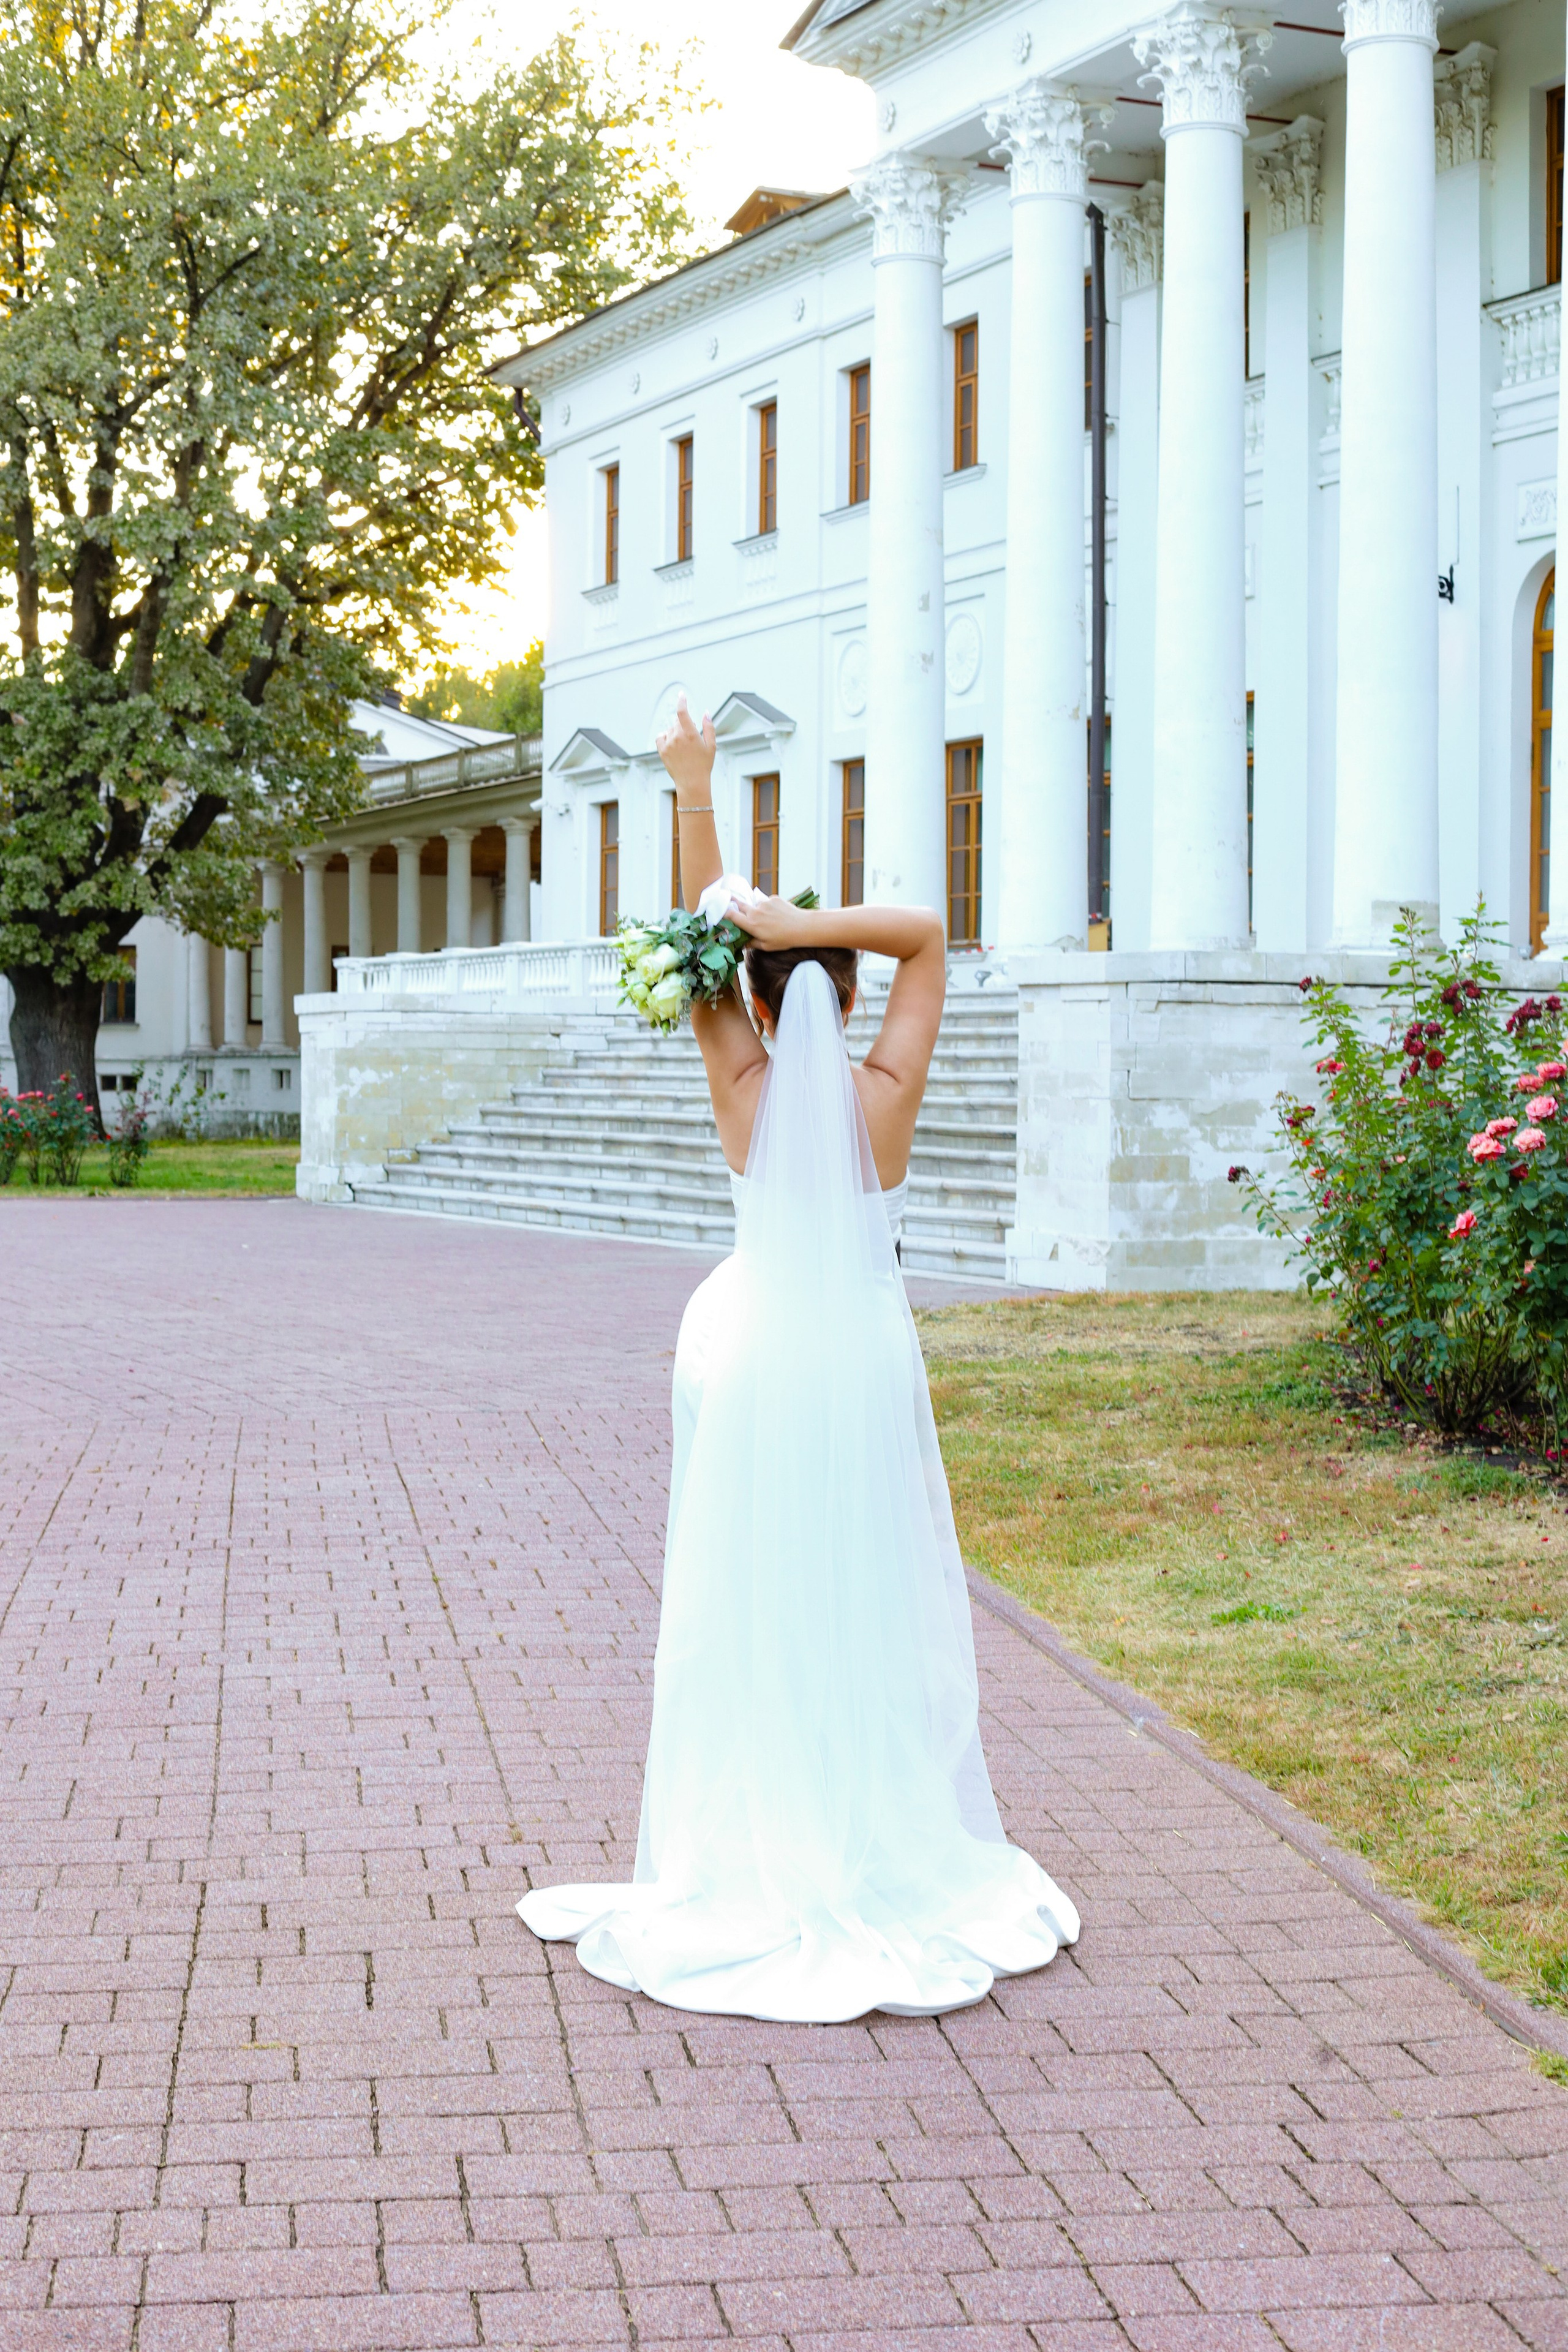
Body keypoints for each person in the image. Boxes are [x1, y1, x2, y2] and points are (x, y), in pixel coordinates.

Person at [518, 697, 1079, 2021]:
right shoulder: (887, 1098)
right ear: (838, 990)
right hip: (866, 1363)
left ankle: (759, 1831)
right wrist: (805, 925)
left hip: (761, 1358)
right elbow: (931, 936)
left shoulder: (742, 1085)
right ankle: (876, 1826)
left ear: (754, 1001)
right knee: (864, 1580)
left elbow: (692, 937)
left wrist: (695, 793)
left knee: (753, 1592)